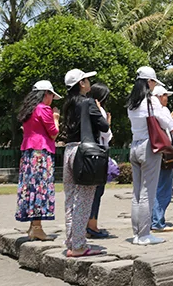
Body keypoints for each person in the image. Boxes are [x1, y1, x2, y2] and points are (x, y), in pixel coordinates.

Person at [127, 66, 173, 245]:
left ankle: (136, 233)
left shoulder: (132, 102)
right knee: (149, 191)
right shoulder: (151, 101)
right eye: (154, 82)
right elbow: (167, 123)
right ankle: (145, 234)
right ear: (149, 82)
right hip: (149, 147)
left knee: (137, 193)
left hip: (135, 146)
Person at [62, 69, 110, 257]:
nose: (89, 82)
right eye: (87, 79)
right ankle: (79, 245)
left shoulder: (69, 104)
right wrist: (99, 110)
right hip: (85, 153)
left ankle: (71, 240)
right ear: (81, 84)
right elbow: (104, 126)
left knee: (70, 199)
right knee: (83, 199)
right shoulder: (88, 102)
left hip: (70, 151)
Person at [15, 80, 61, 241]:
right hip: (41, 152)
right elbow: (54, 133)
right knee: (41, 188)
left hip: (28, 152)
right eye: (51, 95)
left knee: (30, 187)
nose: (51, 100)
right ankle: (37, 227)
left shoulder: (28, 111)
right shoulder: (44, 109)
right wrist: (56, 118)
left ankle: (32, 226)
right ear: (46, 94)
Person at [86, 83, 112, 239]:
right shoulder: (98, 109)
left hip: (86, 153)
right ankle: (92, 225)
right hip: (98, 152)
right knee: (97, 191)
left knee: (88, 191)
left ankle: (87, 224)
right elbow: (106, 133)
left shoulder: (84, 108)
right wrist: (108, 122)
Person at [151, 84, 173, 233]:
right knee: (163, 187)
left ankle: (154, 219)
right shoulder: (162, 111)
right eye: (165, 95)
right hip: (164, 152)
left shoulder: (149, 111)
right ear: (160, 97)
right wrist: (172, 119)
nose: (167, 98)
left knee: (155, 187)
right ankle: (158, 221)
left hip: (154, 152)